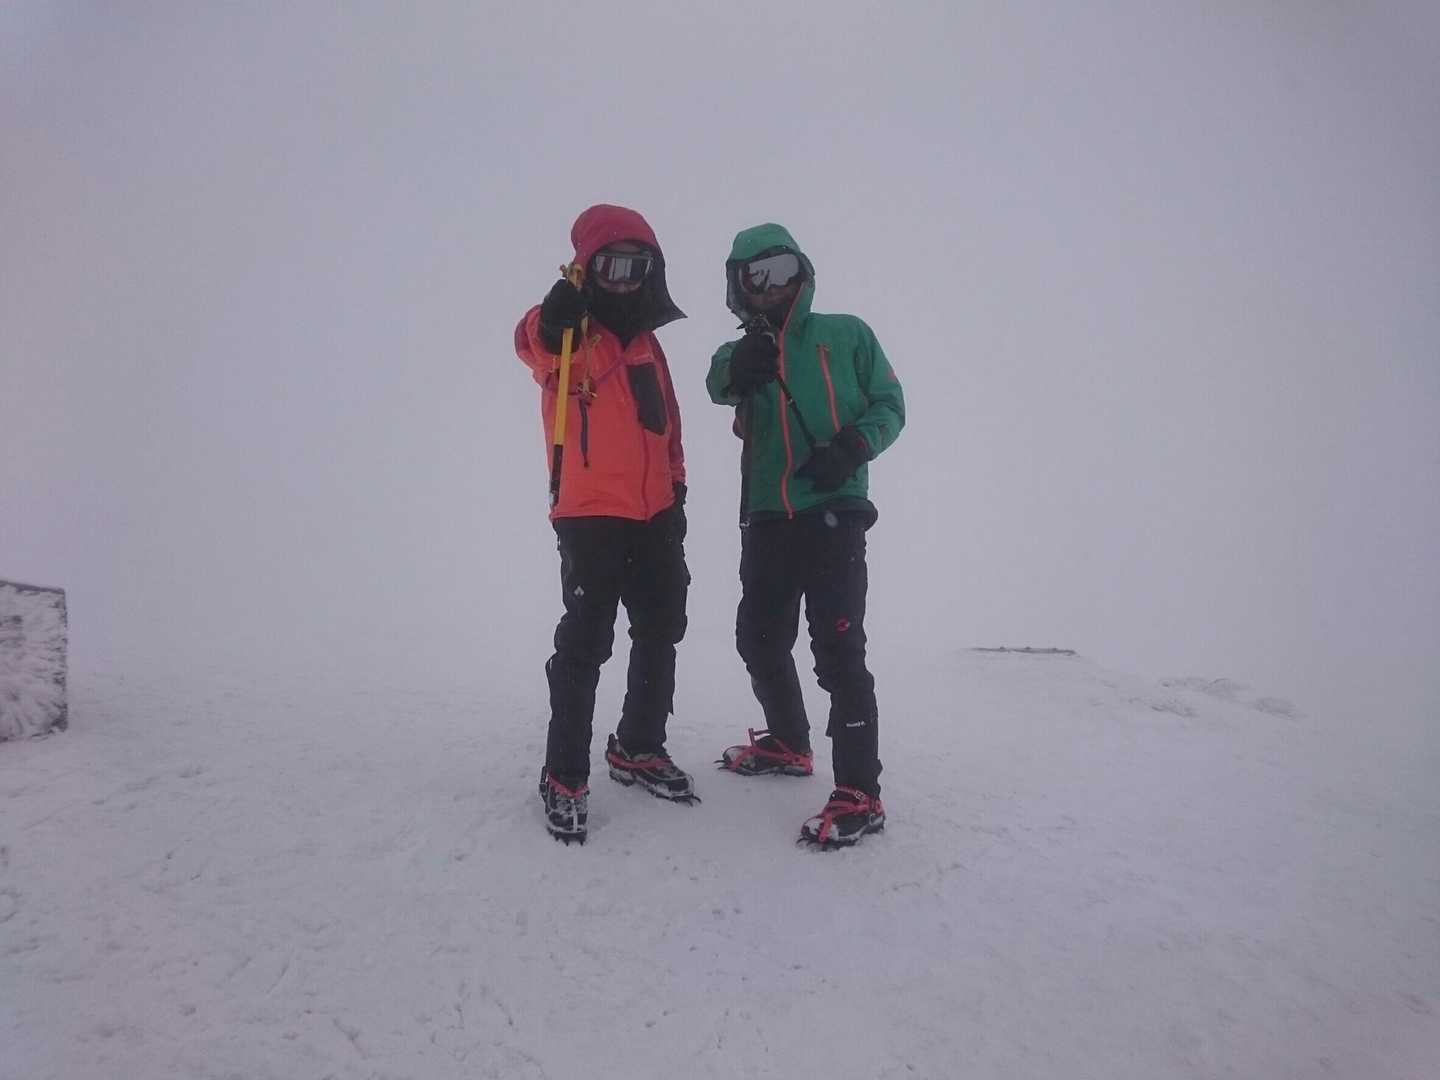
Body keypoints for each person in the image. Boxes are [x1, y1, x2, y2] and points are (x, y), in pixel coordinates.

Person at [707, 223, 905, 848]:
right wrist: (743, 365)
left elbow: (890, 403)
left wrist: (853, 447)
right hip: (768, 516)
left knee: (839, 649)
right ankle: (791, 743)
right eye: (756, 276)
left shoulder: (846, 335)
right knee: (759, 638)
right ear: (739, 286)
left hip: (834, 514)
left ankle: (861, 791)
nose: (773, 286)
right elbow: (717, 383)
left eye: (783, 269)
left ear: (803, 271)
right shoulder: (740, 352)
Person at [514, 204, 696, 844]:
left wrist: (676, 490)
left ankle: (639, 746)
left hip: (655, 514)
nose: (624, 280)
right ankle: (564, 775)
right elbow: (531, 343)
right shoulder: (568, 334)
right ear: (587, 268)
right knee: (586, 642)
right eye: (611, 266)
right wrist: (551, 316)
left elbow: (668, 425)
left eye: (637, 267)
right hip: (589, 513)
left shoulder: (648, 347)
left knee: (661, 626)